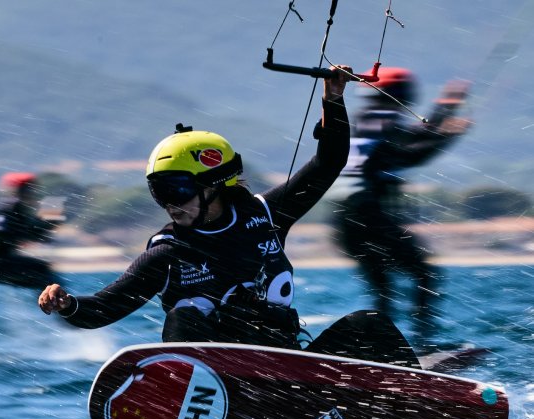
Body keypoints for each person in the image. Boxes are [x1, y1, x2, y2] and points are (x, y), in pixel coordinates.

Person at [38, 67, 420, 368]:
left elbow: (329, 162)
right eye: (159, 192)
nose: (169, 203)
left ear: (215, 184)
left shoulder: (266, 214)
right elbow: (104, 308)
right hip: (225, 382)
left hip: (292, 367)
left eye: (178, 190)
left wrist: (333, 101)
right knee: (183, 318)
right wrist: (68, 305)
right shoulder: (168, 253)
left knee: (370, 325)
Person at [332, 67, 471, 339]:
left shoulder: (368, 120)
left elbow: (413, 142)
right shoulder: (384, 119)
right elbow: (413, 148)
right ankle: (423, 341)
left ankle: (378, 347)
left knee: (384, 292)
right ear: (402, 95)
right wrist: (447, 133)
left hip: (348, 222)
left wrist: (446, 108)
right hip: (368, 217)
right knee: (424, 275)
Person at [0, 172, 64, 290]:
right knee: (44, 273)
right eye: (30, 189)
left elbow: (28, 233)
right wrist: (47, 223)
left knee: (43, 273)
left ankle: (46, 306)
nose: (33, 193)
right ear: (21, 190)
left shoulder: (6, 207)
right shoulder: (7, 208)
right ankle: (56, 306)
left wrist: (48, 224)